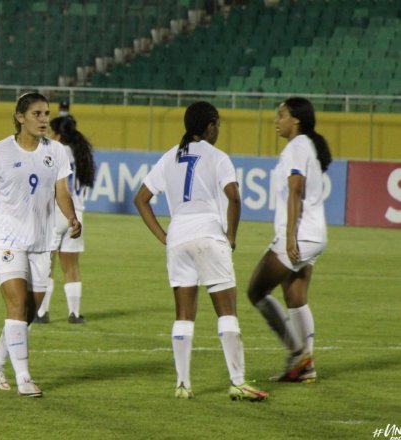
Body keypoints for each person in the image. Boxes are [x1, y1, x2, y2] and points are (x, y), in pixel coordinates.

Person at [133, 101, 267, 401]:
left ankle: (182, 384)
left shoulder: (169, 157)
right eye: (217, 125)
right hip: (209, 234)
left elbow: (140, 199)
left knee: (183, 315)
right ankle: (238, 381)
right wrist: (231, 236)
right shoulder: (218, 157)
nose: (218, 130)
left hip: (179, 238)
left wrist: (165, 237)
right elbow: (234, 198)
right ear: (210, 126)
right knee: (226, 312)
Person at [0, 92, 81, 397]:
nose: (43, 119)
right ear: (20, 117)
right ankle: (24, 378)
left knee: (30, 311)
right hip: (7, 240)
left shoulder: (58, 152)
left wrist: (72, 217)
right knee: (15, 306)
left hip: (41, 242)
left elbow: (61, 190)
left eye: (46, 114)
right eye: (37, 114)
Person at [247, 97, 331, 383]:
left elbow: (295, 190)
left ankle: (299, 354)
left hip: (300, 235)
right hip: (315, 234)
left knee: (256, 291)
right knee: (295, 296)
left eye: (281, 114)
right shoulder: (307, 146)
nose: (276, 120)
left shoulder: (297, 146)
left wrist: (289, 236)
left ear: (295, 119)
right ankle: (305, 368)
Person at [33, 115, 96, 324]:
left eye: (52, 132)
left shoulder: (55, 152)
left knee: (46, 265)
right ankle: (74, 314)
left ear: (58, 135)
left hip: (56, 212)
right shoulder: (81, 154)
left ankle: (42, 313)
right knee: (71, 266)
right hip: (76, 214)